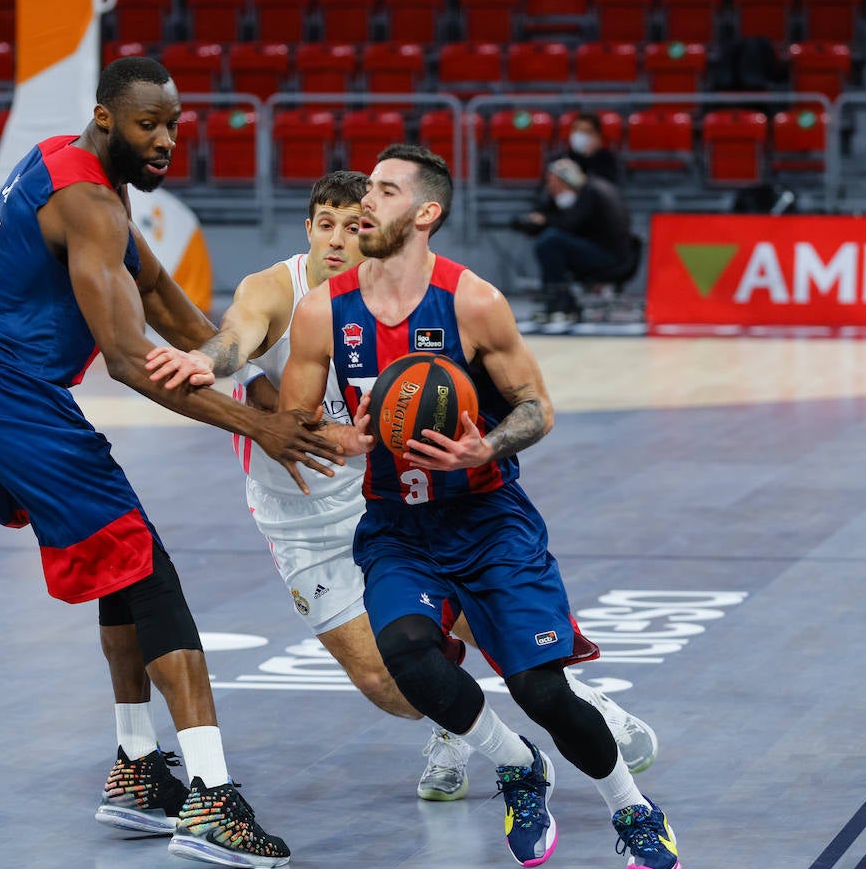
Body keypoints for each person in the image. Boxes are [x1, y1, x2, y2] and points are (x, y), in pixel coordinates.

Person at [0, 57, 343, 869]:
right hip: (1, 397)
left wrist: (253, 376)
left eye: (175, 126)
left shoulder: (65, 168)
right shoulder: (90, 204)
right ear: (105, 118)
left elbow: (170, 306)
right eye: (149, 125)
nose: (167, 140)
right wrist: (261, 427)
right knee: (150, 571)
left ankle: (139, 770)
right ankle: (212, 798)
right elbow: (132, 361)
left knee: (117, 565)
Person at [148, 171, 659, 805]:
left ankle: (575, 706)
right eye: (324, 224)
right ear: (308, 228)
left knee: (482, 625)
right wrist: (204, 361)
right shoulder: (278, 290)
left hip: (378, 495)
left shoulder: (402, 288)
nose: (339, 238)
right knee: (387, 685)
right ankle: (472, 732)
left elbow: (513, 398)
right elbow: (234, 337)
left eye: (351, 221)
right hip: (296, 513)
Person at [274, 144, 682, 869]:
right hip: (397, 526)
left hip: (489, 520)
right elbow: (292, 425)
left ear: (426, 212)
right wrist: (342, 436)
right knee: (404, 654)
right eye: (366, 186)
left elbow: (538, 408)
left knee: (543, 692)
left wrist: (482, 447)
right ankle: (515, 764)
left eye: (386, 190)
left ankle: (632, 808)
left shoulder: (473, 301)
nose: (367, 201)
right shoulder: (319, 310)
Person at [514, 157, 636, 329]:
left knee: (550, 242)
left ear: (567, 181)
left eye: (555, 184)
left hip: (611, 257)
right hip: (615, 252)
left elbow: (568, 224)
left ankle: (559, 302)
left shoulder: (591, 192)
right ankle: (562, 300)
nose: (550, 188)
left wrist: (545, 220)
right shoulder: (593, 188)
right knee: (552, 240)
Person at [555, 112, 619, 185]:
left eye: (585, 131)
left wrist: (589, 156)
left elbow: (605, 189)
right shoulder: (561, 158)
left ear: (597, 136)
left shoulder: (607, 159)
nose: (579, 135)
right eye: (576, 130)